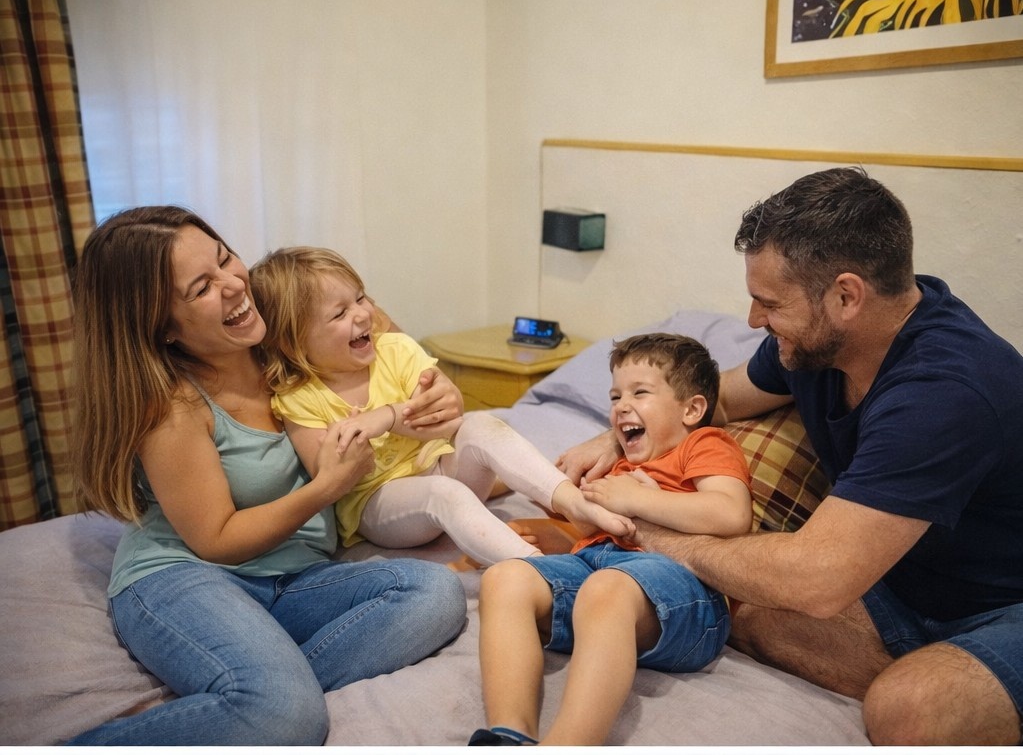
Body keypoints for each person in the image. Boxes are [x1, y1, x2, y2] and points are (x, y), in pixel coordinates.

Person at [558, 167, 1023, 746]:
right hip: (900, 583)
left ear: (846, 295)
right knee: (744, 615)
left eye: (769, 303)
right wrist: (626, 430)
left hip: (1005, 604)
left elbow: (816, 579)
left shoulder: (945, 392)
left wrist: (653, 534)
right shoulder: (810, 345)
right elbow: (717, 399)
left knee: (911, 708)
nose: (753, 320)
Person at [67, 207, 467, 746]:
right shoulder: (173, 405)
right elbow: (216, 540)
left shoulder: (286, 327)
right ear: (161, 328)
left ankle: (261, 696)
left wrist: (441, 395)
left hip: (293, 578)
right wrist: (326, 488)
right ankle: (265, 704)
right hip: (187, 575)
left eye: (226, 258)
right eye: (203, 286)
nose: (235, 284)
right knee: (289, 717)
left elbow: (396, 351)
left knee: (435, 593)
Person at [247, 246, 633, 568]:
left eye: (360, 297)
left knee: (483, 425)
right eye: (339, 313)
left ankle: (574, 505)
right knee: (444, 495)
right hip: (379, 503)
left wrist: (387, 417)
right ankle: (539, 568)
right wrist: (349, 448)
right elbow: (328, 476)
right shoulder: (298, 397)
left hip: (439, 463)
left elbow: (445, 421)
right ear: (293, 341)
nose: (363, 314)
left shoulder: (394, 349)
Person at [471, 333, 752, 745]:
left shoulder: (703, 443)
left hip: (682, 594)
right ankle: (510, 734)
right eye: (616, 395)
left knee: (606, 589)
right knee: (504, 579)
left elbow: (731, 514)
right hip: (600, 574)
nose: (622, 406)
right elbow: (593, 534)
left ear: (692, 409)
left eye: (640, 392)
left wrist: (637, 499)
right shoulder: (618, 459)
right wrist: (562, 518)